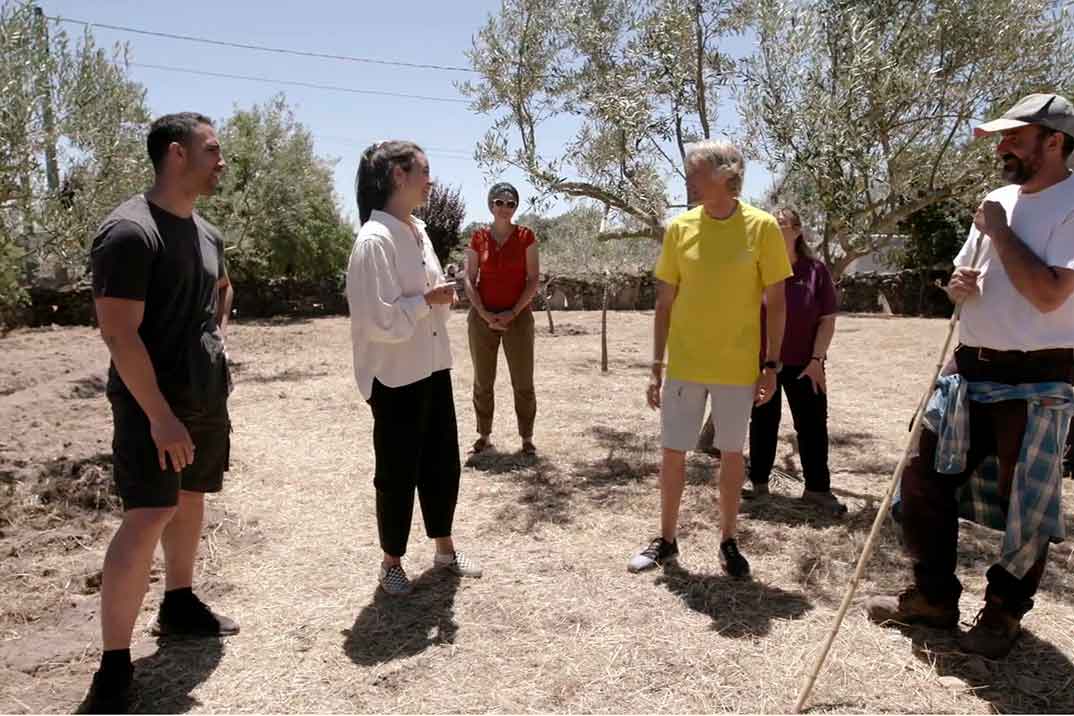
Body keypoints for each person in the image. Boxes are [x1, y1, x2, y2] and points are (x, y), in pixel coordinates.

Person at [865, 93, 1074, 659]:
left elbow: (1050, 294)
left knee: (1023, 501)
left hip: (1039, 377)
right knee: (922, 478)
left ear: (1053, 142)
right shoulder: (996, 201)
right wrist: (960, 286)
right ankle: (934, 598)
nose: (1002, 147)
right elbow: (969, 275)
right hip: (970, 367)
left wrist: (1001, 230)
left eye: (1014, 137)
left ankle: (1004, 613)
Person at [85, 113, 237, 713]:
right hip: (153, 404)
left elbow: (220, 287)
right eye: (212, 150)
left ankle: (179, 603)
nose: (220, 160)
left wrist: (214, 335)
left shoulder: (206, 231)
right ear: (177, 154)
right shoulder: (129, 232)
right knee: (149, 512)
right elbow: (120, 336)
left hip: (202, 396)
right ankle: (113, 669)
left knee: (192, 495)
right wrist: (160, 417)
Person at [628, 140, 791, 577]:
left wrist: (771, 365)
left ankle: (728, 541)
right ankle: (666, 540)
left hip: (737, 368)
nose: (688, 180)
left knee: (732, 454)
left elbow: (776, 302)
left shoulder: (763, 229)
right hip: (685, 364)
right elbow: (664, 303)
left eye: (695, 172)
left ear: (724, 174)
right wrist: (655, 367)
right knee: (673, 453)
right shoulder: (680, 229)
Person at [346, 140, 482, 598]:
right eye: (424, 171)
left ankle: (444, 549)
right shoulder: (373, 241)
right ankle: (392, 563)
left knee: (442, 462)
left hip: (432, 365)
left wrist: (438, 294)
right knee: (398, 469)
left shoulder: (417, 230)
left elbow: (422, 302)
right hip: (395, 376)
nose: (430, 180)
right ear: (398, 176)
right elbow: (378, 320)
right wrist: (428, 299)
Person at [744, 208, 845, 515]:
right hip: (763, 365)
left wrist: (817, 359)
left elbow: (827, 319)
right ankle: (759, 485)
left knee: (813, 427)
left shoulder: (816, 271)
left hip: (806, 364)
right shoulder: (756, 270)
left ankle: (817, 490)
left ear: (798, 230)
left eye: (781, 225)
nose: (774, 230)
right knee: (762, 423)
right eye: (770, 226)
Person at [463, 182, 540, 455]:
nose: (504, 207)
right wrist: (484, 313)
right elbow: (469, 280)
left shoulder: (526, 237)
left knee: (523, 381)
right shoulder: (478, 237)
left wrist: (513, 312)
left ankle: (527, 438)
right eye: (499, 202)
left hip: (517, 318)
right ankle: (484, 436)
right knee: (483, 381)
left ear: (516, 207)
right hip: (482, 319)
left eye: (510, 203)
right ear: (490, 205)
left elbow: (533, 280)